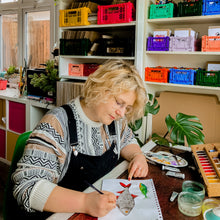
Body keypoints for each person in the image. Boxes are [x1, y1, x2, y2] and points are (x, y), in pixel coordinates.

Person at [11, 59, 149, 219]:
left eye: (127, 107)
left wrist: (137, 156)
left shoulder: (114, 121)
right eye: (119, 103)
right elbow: (27, 188)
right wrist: (85, 202)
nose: (122, 113)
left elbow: (127, 141)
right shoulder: (56, 123)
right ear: (99, 88)